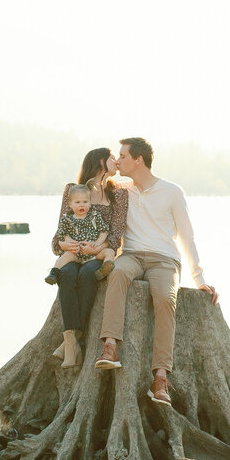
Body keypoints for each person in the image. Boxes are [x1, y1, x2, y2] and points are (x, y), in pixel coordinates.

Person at [92, 136, 218, 406]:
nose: (118, 160)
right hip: (132, 255)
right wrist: (108, 166)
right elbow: (90, 191)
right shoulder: (121, 189)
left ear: (139, 160)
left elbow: (187, 236)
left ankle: (160, 378)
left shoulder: (172, 191)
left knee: (165, 298)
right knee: (117, 273)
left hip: (164, 260)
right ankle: (110, 347)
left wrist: (200, 279)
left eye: (123, 156)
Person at [47, 147, 129, 369]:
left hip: (97, 252)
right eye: (113, 158)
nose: (116, 161)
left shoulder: (118, 194)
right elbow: (59, 234)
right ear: (101, 162)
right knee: (65, 275)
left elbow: (115, 234)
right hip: (73, 252)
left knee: (86, 275)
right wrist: (67, 245)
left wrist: (97, 248)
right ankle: (71, 340)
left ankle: (72, 342)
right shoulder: (73, 191)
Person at [46, 184, 113, 284]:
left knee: (109, 251)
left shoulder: (95, 216)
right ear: (70, 204)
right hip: (76, 253)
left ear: (90, 203)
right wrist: (71, 243)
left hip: (94, 252)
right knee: (66, 256)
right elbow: (62, 235)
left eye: (85, 202)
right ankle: (54, 272)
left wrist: (97, 243)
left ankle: (105, 268)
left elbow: (104, 231)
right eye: (77, 202)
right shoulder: (67, 219)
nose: (82, 205)